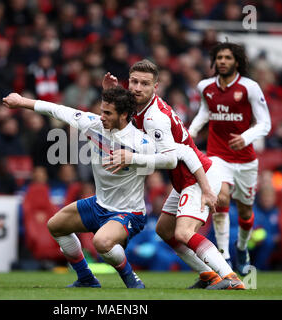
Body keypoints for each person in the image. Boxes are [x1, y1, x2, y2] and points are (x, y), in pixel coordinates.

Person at [2, 86, 209, 289]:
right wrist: (21, 102)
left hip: (129, 212)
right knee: (56, 226)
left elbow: (171, 160)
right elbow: (58, 110)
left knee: (102, 243)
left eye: (108, 113)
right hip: (99, 204)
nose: (102, 116)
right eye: (102, 110)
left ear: (124, 115)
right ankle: (86, 278)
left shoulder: (142, 141)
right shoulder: (93, 124)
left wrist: (134, 159)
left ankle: (131, 279)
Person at [103, 59, 245, 289]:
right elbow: (115, 120)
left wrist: (133, 159)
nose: (138, 88)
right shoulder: (138, 108)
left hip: (198, 176)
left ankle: (230, 277)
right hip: (185, 180)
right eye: (134, 82)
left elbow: (173, 157)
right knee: (164, 229)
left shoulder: (154, 118)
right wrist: (110, 93)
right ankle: (208, 275)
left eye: (145, 84)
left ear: (155, 87)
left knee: (184, 232)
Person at [188, 42, 271, 276]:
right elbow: (206, 111)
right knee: (221, 197)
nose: (223, 61)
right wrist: (191, 131)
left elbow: (265, 123)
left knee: (245, 211)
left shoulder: (250, 87)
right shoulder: (205, 86)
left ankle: (242, 248)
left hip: (245, 160)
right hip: (217, 154)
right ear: (214, 61)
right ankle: (224, 255)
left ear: (237, 61)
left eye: (228, 57)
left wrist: (245, 137)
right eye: (219, 57)